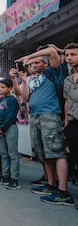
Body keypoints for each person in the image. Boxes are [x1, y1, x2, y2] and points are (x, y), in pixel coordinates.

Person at [17, 46, 75, 206]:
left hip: (49, 115)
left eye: (36, 63)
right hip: (35, 116)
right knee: (42, 152)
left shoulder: (53, 73)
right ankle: (51, 184)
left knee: (57, 151)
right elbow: (26, 99)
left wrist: (28, 55)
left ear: (45, 64)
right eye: (29, 65)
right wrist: (23, 82)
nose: (32, 66)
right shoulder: (32, 79)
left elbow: (52, 51)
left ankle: (63, 191)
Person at [0, 78, 20, 190]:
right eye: (0, 87)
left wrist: (2, 128)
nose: (0, 89)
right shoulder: (1, 101)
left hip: (10, 128)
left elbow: (11, 115)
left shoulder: (12, 100)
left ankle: (14, 179)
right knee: (3, 154)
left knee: (12, 153)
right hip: (0, 129)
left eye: (3, 87)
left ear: (10, 88)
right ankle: (5, 175)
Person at [62, 43, 78, 209]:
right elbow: (66, 101)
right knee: (75, 159)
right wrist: (66, 121)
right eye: (67, 56)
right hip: (73, 123)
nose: (69, 58)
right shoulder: (67, 79)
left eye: (73, 54)